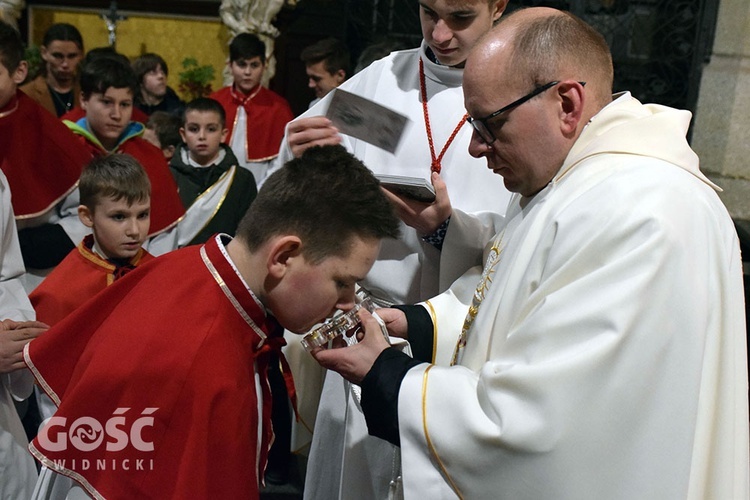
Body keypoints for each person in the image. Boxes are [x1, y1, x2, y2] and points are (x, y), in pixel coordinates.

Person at [312, 8, 750, 499]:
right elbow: (519, 291)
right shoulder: (578, 184)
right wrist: (416, 324)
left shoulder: (641, 211)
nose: (476, 148)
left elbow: (544, 429)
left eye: (489, 125)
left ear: (567, 103)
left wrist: (388, 376)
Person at [25, 145, 401, 500]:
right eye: (342, 281)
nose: (348, 302)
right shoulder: (200, 362)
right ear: (283, 256)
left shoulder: (188, 265)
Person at [275, 1, 511, 498]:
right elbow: (300, 164)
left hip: (461, 349)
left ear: (499, 7)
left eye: (461, 17)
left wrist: (447, 229)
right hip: (365, 328)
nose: (440, 34)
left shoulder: (520, 93)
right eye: (428, 12)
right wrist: (306, 158)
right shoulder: (384, 84)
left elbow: (527, 234)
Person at [0, 20, 92, 294]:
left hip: (26, 280)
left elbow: (87, 213)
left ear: (19, 72)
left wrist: (28, 245)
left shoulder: (47, 132)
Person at [63, 55, 185, 240]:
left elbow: (165, 233)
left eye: (125, 104)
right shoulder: (64, 148)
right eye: (106, 102)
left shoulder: (149, 156)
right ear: (84, 100)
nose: (117, 114)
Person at [30, 154, 154, 327]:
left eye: (142, 215)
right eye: (119, 217)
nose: (134, 231)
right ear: (87, 216)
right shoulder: (58, 295)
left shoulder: (160, 273)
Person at [169, 97, 257, 245]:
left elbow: (248, 234)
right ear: (183, 135)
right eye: (194, 129)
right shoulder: (168, 176)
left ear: (223, 134)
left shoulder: (242, 179)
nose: (202, 136)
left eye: (211, 129)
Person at [210, 32, 294, 187]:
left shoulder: (278, 107)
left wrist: (262, 190)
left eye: (254, 65)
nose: (247, 72)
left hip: (261, 185)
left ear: (264, 65)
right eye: (242, 64)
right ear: (230, 65)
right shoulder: (214, 102)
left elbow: (282, 159)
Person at [20, 23, 83, 117]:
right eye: (58, 56)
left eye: (72, 56)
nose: (65, 64)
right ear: (44, 53)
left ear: (81, 55)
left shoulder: (88, 92)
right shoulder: (26, 95)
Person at [300, 37, 350, 108]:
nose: (310, 85)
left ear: (340, 76)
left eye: (316, 78)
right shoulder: (314, 106)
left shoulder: (360, 109)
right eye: (310, 78)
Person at [132, 52, 185, 117]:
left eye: (162, 72)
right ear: (140, 80)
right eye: (153, 73)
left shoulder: (177, 111)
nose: (161, 76)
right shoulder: (131, 109)